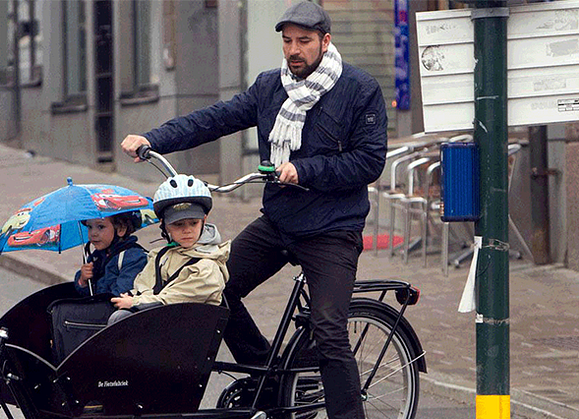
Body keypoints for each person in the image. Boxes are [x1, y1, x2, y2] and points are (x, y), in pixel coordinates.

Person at [121, 2, 387, 418]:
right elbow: (216, 119)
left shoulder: (358, 88)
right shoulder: (270, 86)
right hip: (280, 222)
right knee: (216, 288)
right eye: (287, 41)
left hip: (333, 229)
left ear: (325, 41)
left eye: (304, 41)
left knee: (330, 333)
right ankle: (269, 376)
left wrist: (304, 169)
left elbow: (369, 162)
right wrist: (154, 138)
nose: (294, 50)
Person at [108, 174, 230, 325]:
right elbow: (143, 286)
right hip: (162, 321)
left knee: (119, 319)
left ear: (204, 220)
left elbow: (175, 299)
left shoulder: (207, 266)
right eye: (178, 224)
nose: (187, 230)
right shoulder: (161, 256)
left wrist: (135, 302)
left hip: (186, 330)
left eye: (193, 223)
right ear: (165, 225)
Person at [74, 212, 148, 297]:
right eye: (89, 227)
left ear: (121, 229)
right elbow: (89, 292)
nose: (93, 233)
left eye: (100, 227)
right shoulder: (97, 256)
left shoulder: (133, 258)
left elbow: (122, 293)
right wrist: (83, 280)